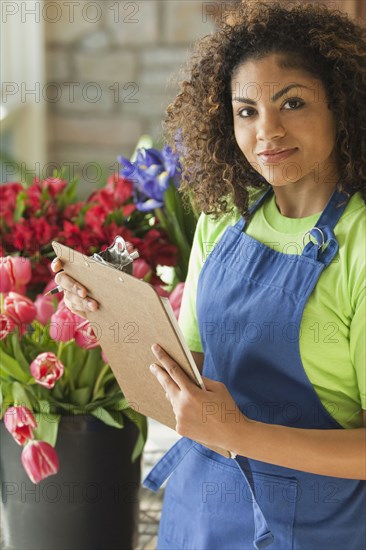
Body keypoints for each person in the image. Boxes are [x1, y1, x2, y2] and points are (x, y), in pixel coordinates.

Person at [52, 1, 366, 548]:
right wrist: (111, 315)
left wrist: (238, 433)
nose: (267, 130)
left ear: (342, 106)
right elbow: (185, 382)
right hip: (198, 513)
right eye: (246, 110)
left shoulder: (359, 245)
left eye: (292, 102)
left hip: (315, 531)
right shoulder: (222, 224)